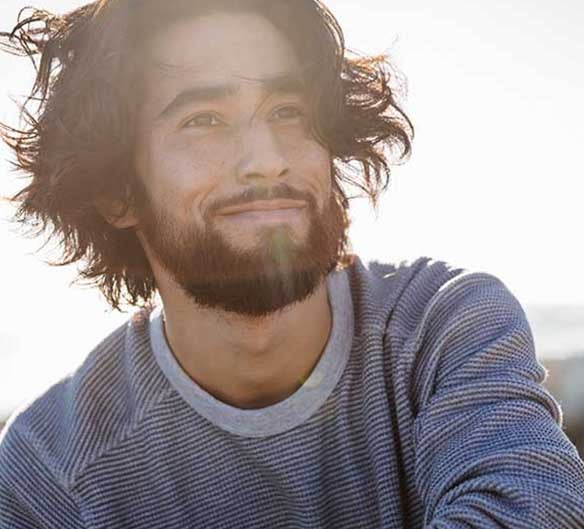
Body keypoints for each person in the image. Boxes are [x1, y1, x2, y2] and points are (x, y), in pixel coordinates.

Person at [0, 0, 583, 527]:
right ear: (116, 190)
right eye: (204, 120)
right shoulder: (50, 471)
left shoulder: (442, 329)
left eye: (288, 111)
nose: (267, 161)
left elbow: (535, 509)